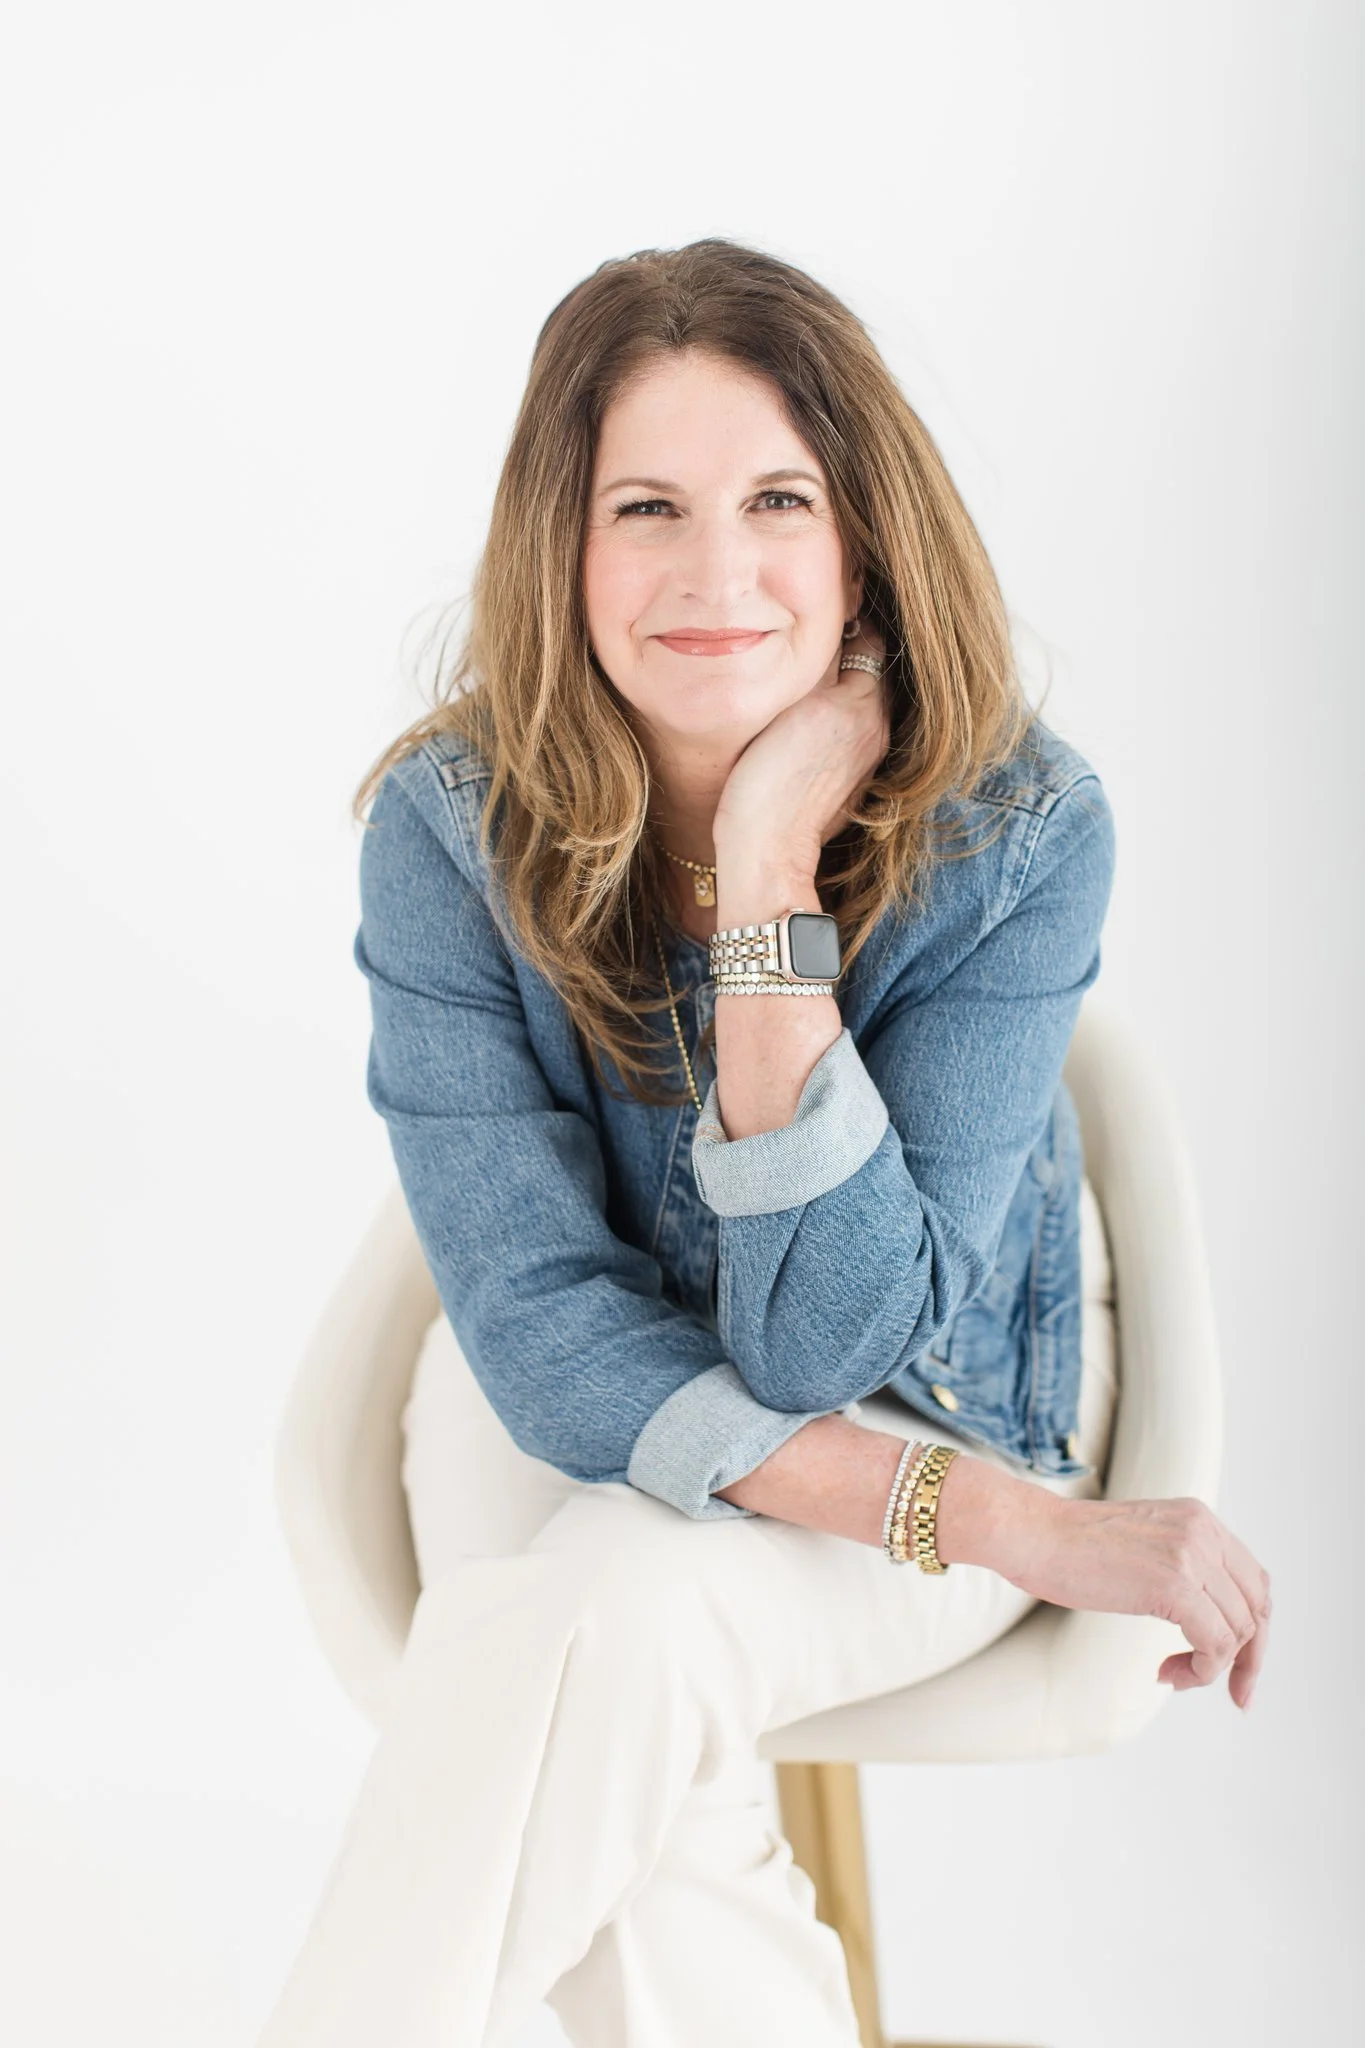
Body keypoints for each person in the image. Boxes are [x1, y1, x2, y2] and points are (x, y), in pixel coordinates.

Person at [257, 240, 1271, 2048]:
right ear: (561, 551)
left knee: (596, 1629)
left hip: (917, 1395)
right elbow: (552, 1339)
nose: (714, 573)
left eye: (777, 501)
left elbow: (828, 1340)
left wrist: (761, 880)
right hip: (552, 1402)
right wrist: (1015, 1530)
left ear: (863, 543)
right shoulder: (445, 827)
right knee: (603, 1641)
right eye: (646, 505)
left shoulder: (1017, 834)